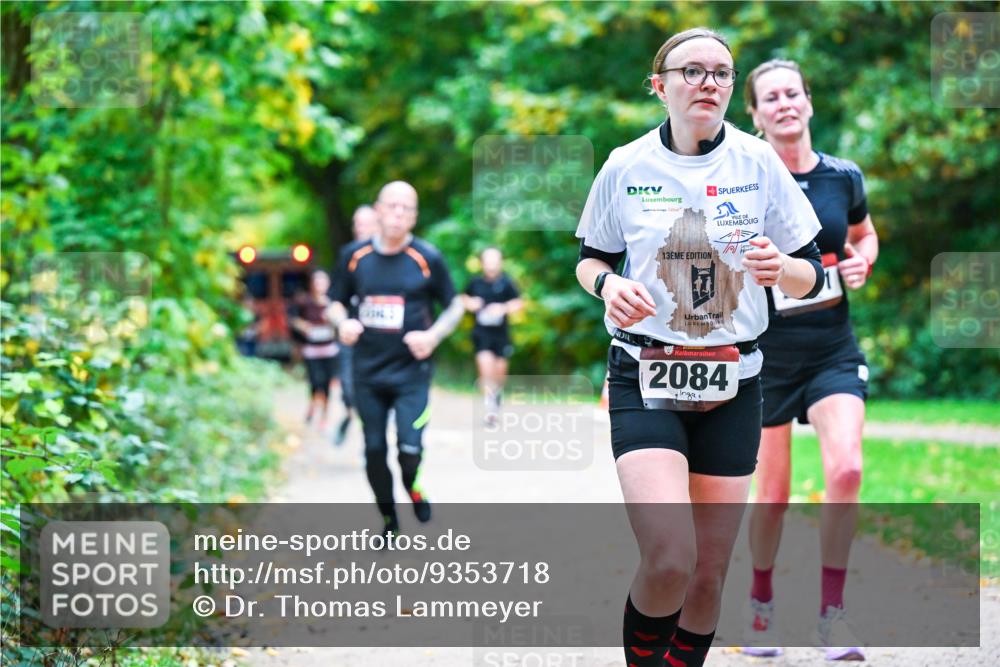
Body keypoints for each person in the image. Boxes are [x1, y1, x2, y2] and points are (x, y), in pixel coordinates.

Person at [574, 28, 826, 667]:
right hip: (646, 373)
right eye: (692, 71)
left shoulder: (757, 162)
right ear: (660, 87)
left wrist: (781, 269)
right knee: (669, 560)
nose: (708, 82)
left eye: (721, 72)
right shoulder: (625, 165)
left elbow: (814, 272)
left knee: (707, 579)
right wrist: (608, 285)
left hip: (735, 380)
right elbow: (590, 259)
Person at [739, 59, 879, 662]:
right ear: (755, 114)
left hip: (832, 349)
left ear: (809, 102)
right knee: (771, 496)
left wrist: (862, 260)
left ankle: (832, 615)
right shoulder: (744, 182)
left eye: (792, 93)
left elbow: (863, 233)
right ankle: (761, 603)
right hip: (768, 357)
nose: (784, 104)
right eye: (770, 98)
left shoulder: (842, 176)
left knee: (846, 469)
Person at [327, 181, 464, 536]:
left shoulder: (427, 257)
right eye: (392, 205)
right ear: (378, 210)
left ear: (414, 216)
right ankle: (388, 518)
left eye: (407, 208)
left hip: (411, 373)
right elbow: (334, 302)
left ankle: (412, 488)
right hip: (368, 372)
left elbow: (454, 306)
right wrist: (342, 323)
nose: (398, 213)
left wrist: (433, 336)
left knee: (408, 450)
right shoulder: (354, 256)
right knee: (374, 450)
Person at [333, 204, 380, 446]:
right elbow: (334, 301)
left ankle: (372, 440)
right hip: (352, 339)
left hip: (381, 341)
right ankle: (351, 414)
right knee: (350, 389)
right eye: (357, 224)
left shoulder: (391, 258)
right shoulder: (349, 255)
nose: (360, 228)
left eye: (366, 223)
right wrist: (342, 322)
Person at [462, 247, 523, 425]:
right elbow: (463, 298)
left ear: (500, 262)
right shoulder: (475, 283)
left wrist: (503, 308)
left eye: (494, 259)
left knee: (499, 373)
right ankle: (490, 409)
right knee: (485, 368)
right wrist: (471, 303)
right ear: (482, 263)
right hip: (482, 334)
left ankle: (496, 398)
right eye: (488, 260)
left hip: (501, 335)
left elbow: (518, 302)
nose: (491, 264)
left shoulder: (506, 282)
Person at [290, 270, 341, 432]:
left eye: (322, 281)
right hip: (311, 351)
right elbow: (293, 320)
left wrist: (334, 319)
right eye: (316, 281)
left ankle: (324, 417)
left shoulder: (334, 303)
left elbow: (342, 322)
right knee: (315, 382)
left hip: (329, 350)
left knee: (326, 385)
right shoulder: (304, 302)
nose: (319, 285)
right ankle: (312, 406)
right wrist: (304, 326)